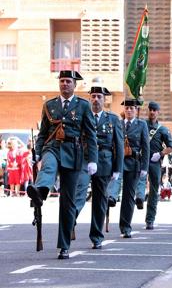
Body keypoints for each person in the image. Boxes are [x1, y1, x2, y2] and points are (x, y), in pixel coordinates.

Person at [27, 70, 98, 259]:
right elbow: (43, 132)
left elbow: (91, 134)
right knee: (48, 165)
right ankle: (41, 191)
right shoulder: (49, 105)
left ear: (75, 85)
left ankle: (64, 246)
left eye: (68, 81)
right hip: (53, 147)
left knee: (68, 202)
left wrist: (93, 160)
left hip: (74, 154)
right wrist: (37, 153)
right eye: (62, 81)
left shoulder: (83, 105)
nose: (65, 84)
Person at [73, 86, 123, 249]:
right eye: (93, 96)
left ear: (104, 99)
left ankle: (96, 236)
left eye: (99, 97)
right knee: (79, 192)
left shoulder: (113, 119)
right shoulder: (82, 117)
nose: (95, 99)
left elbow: (119, 145)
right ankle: (72, 218)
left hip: (104, 162)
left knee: (100, 200)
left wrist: (117, 168)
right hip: (85, 159)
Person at [135, 101, 172, 230]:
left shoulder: (162, 129)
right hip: (141, 159)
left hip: (154, 160)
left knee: (153, 190)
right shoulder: (141, 124)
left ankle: (150, 220)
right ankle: (140, 198)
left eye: (154, 110)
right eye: (150, 109)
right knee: (140, 179)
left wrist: (160, 153)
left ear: (158, 112)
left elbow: (171, 147)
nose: (152, 112)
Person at [118, 99, 149, 239]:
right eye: (126, 108)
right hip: (117, 162)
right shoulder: (118, 124)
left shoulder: (141, 124)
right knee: (110, 192)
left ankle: (125, 227)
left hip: (133, 163)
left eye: (131, 108)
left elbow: (145, 147)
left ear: (136, 110)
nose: (128, 110)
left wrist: (144, 167)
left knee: (128, 196)